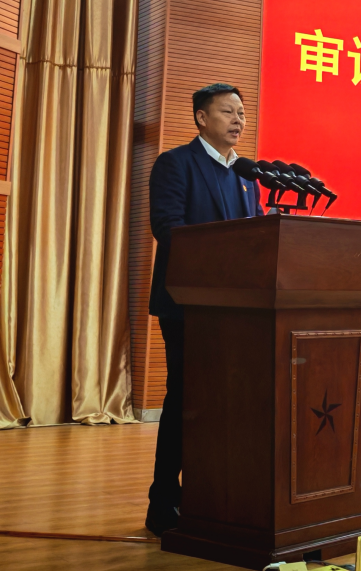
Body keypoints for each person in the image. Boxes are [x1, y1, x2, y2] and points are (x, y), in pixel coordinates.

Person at [145, 83, 264, 536]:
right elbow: (168, 228)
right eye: (228, 112)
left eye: (242, 113)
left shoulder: (247, 175)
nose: (238, 120)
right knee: (185, 401)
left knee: (227, 404)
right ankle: (163, 501)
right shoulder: (176, 163)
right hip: (188, 307)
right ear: (201, 117)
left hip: (238, 311)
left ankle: (212, 495)